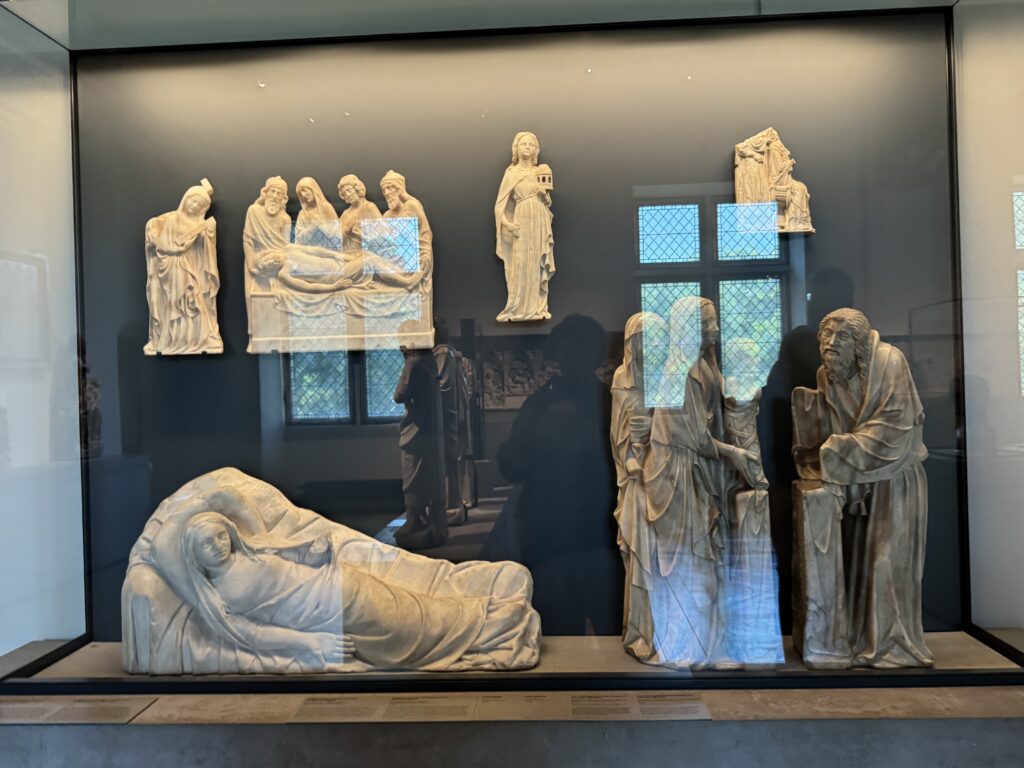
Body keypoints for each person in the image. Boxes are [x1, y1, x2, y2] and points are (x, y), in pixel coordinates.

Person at [178, 510, 540, 671]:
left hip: (343, 585)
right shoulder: (217, 599)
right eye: (206, 544)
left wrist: (313, 552)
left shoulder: (253, 551)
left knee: (421, 613)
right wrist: (311, 643)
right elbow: (254, 635)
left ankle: (496, 618)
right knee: (415, 630)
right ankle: (502, 624)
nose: (217, 545)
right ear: (193, 556)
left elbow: (293, 558)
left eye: (220, 536)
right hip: (335, 619)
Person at [792, 308, 932, 669]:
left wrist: (834, 450)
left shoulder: (889, 362)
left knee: (886, 566)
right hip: (858, 485)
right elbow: (835, 423)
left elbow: (894, 428)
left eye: (840, 337)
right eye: (826, 336)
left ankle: (893, 645)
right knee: (859, 569)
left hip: (894, 479)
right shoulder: (827, 374)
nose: (830, 344)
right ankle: (859, 639)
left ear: (858, 343)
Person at [641, 297, 768, 668]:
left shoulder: (703, 367)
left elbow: (714, 420)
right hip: (677, 476)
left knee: (710, 557)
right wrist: (734, 454)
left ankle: (712, 646)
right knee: (690, 562)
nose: (715, 329)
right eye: (707, 324)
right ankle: (687, 647)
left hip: (698, 471)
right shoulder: (678, 374)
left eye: (713, 322)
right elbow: (694, 438)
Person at [497, 314, 619, 635]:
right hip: (555, 535)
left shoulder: (610, 402)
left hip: (595, 533)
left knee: (607, 626)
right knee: (559, 630)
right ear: (559, 352)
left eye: (581, 347)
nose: (573, 355)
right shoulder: (543, 402)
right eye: (568, 347)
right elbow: (511, 465)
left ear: (594, 353)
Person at [144, 179, 222, 355]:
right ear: (186, 199)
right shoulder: (172, 219)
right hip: (171, 268)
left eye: (199, 205)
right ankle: (171, 339)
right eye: (193, 201)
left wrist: (209, 232)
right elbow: (160, 240)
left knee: (193, 301)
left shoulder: (199, 225)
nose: (194, 206)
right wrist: (159, 237)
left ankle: (198, 338)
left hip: (191, 268)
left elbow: (205, 248)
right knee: (174, 303)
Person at [394, 323, 447, 550]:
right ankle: (425, 520)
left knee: (412, 474)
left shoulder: (413, 363)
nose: (401, 347)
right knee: (425, 472)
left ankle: (415, 519)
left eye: (402, 341)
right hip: (428, 426)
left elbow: (399, 395)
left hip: (415, 428)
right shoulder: (430, 361)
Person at [494, 131, 555, 322]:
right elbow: (499, 206)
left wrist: (543, 195)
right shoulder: (511, 173)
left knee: (537, 261)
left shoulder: (540, 171)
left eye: (531, 144)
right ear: (516, 148)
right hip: (521, 218)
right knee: (520, 263)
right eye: (523, 144)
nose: (527, 147)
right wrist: (507, 224)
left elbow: (547, 201)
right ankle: (517, 308)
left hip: (539, 219)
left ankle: (537, 307)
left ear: (536, 149)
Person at [337, 174, 382, 252]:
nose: (347, 195)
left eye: (349, 190)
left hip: (364, 253)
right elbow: (336, 238)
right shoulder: (345, 213)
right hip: (346, 252)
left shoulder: (369, 207)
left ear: (357, 188)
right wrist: (347, 229)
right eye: (344, 194)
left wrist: (363, 236)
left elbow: (383, 234)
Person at [294, 177, 342, 250]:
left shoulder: (326, 207)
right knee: (290, 248)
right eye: (300, 194)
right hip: (308, 250)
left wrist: (320, 226)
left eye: (304, 190)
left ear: (313, 189)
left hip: (326, 249)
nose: (303, 195)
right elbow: (298, 240)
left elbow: (337, 236)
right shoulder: (302, 213)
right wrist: (312, 228)